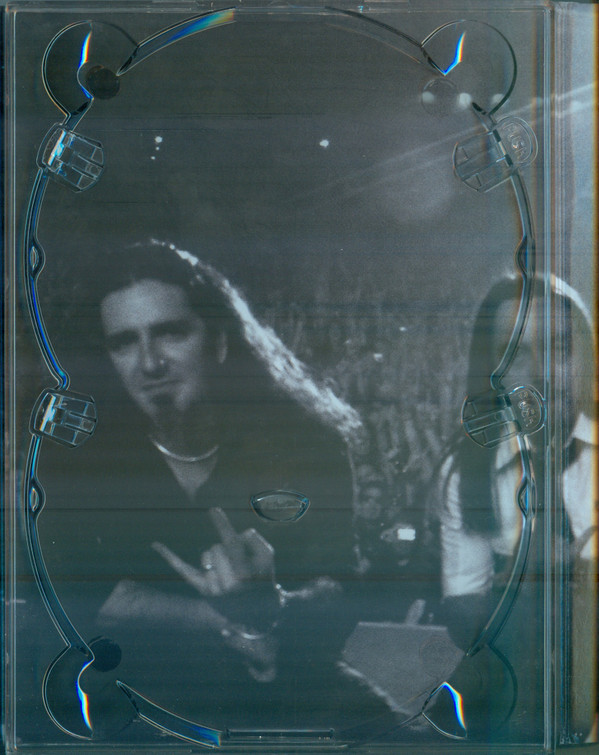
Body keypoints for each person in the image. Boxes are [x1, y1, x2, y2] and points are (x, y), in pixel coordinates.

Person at [37, 241, 398, 740]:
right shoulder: (73, 458)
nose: (149, 363)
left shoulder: (306, 441)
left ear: (221, 341)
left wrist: (273, 606)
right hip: (131, 694)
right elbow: (78, 597)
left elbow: (339, 585)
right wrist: (225, 620)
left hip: (281, 685)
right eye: (124, 343)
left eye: (171, 333)